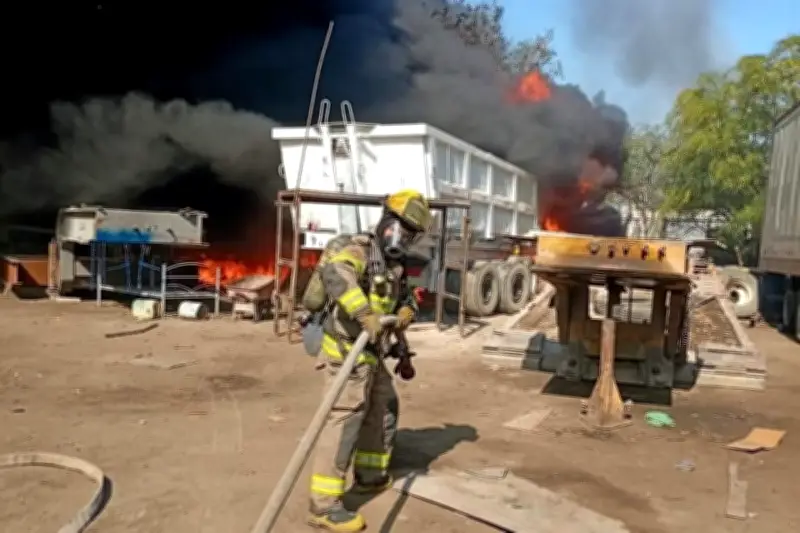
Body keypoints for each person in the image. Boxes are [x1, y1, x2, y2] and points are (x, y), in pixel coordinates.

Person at [307, 189, 431, 531]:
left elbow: (404, 296)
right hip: (347, 351)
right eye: (399, 226)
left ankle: (371, 475)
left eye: (410, 232)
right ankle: (323, 505)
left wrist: (407, 308)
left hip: (373, 353)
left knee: (382, 407)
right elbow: (336, 275)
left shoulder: (395, 263)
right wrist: (363, 314)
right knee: (344, 419)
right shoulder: (359, 249)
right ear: (385, 220)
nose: (401, 236)